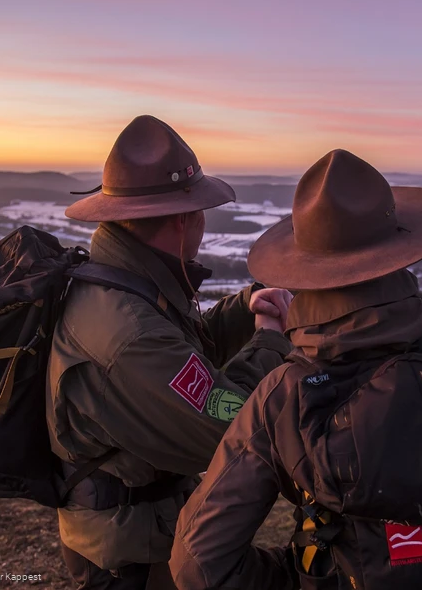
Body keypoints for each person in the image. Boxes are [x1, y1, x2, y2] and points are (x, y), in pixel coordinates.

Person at [169, 149, 422, 590]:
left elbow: (198, 563)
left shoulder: (283, 395)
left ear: (306, 264)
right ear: (398, 247)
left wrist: (299, 575)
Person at [47, 115, 294, 589]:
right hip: (135, 557)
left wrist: (243, 309)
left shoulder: (119, 283)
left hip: (132, 533)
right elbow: (229, 424)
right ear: (184, 219)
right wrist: (270, 339)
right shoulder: (131, 333)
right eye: (201, 212)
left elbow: (180, 358)